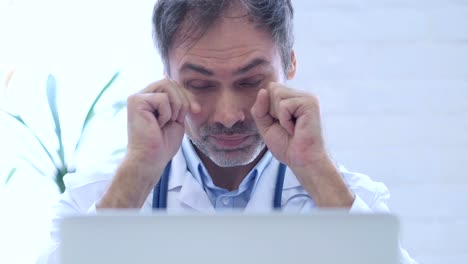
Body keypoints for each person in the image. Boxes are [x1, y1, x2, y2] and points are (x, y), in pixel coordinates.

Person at [39, 0, 417, 263]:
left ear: (290, 63)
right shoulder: (95, 201)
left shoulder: (348, 200)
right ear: (167, 76)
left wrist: (317, 172)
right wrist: (135, 179)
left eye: (251, 80)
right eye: (200, 84)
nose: (228, 115)